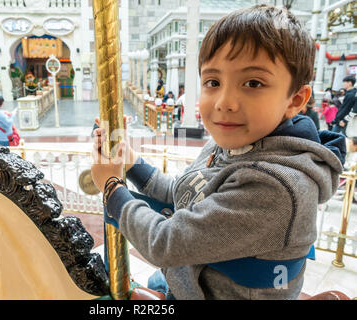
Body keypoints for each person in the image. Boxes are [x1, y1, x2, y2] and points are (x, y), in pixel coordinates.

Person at [91, 4, 346, 300]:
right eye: (213, 82)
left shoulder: (276, 186)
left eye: (253, 83)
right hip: (183, 281)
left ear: (295, 99)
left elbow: (165, 243)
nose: (225, 101)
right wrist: (130, 162)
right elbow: (181, 194)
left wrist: (112, 188)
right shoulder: (233, 144)